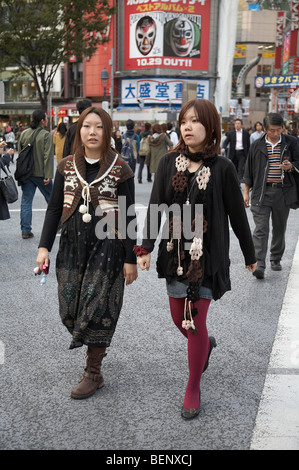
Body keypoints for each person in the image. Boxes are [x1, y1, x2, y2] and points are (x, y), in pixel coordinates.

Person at [135, 99, 256, 420]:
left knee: (195, 322)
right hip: (175, 255)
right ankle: (204, 346)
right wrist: (144, 247)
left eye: (195, 121)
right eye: (183, 121)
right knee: (180, 319)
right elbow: (156, 206)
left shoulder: (223, 168)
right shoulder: (168, 163)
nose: (187, 127)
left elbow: (237, 216)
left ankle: (193, 385)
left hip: (207, 257)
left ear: (211, 127)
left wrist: (250, 254)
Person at [36, 107, 138, 400]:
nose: (92, 132)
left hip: (108, 246)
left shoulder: (121, 168)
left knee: (98, 307)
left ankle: (93, 371)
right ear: (78, 131)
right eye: (86, 126)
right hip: (71, 244)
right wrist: (44, 246)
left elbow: (129, 216)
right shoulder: (66, 165)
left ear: (108, 132)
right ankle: (91, 352)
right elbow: (55, 208)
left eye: (99, 127)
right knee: (70, 307)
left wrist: (131, 257)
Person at [243, 112, 299, 280]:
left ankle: (275, 258)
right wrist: (246, 192)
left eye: (279, 130)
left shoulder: (292, 143)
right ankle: (259, 263)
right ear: (265, 129)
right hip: (262, 192)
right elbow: (248, 170)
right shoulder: (256, 146)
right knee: (260, 229)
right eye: (272, 130)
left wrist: (291, 167)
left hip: (283, 192)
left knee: (279, 228)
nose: (276, 134)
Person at [18, 109, 54, 239]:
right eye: (46, 118)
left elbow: (20, 155)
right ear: (42, 120)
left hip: (27, 174)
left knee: (26, 201)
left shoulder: (24, 134)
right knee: (52, 199)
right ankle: (60, 224)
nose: (47, 120)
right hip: (42, 174)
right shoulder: (46, 135)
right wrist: (48, 174)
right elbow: (48, 156)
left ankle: (25, 230)